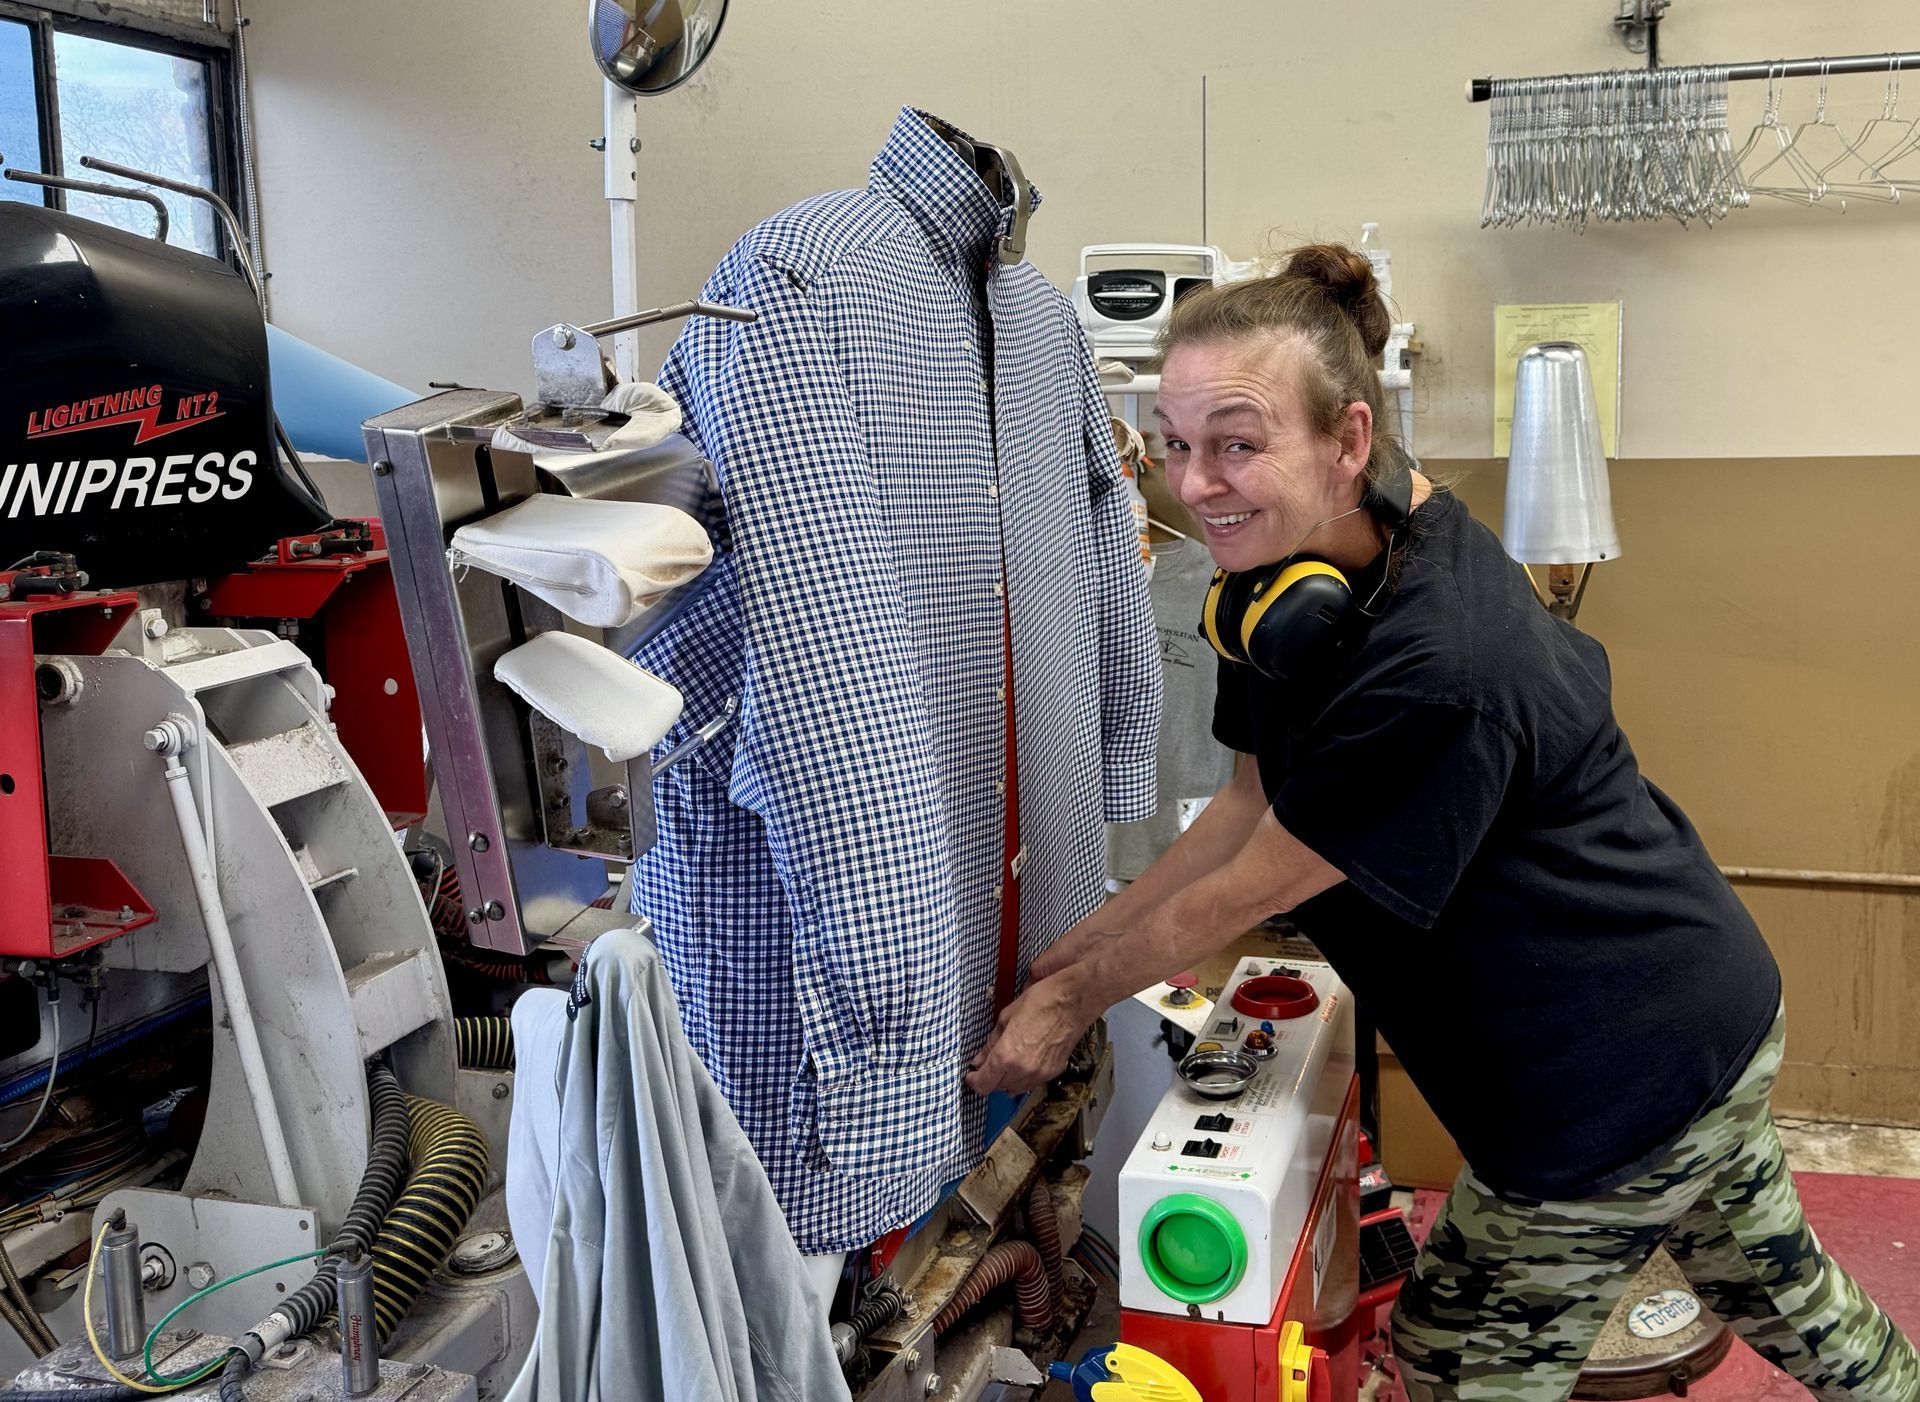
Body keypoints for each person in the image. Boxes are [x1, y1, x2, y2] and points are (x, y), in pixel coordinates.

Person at [964, 244, 1917, 1400]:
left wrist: (1067, 1000)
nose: (1195, 483)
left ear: (1349, 439)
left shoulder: (1443, 661)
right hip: (1690, 1021)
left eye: (1237, 442)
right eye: (1175, 442)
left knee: (1451, 1361)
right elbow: (1247, 803)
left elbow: (1262, 877)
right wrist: (1074, 951)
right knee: (1787, 1294)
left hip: (1617, 1068)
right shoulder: (1289, 581)